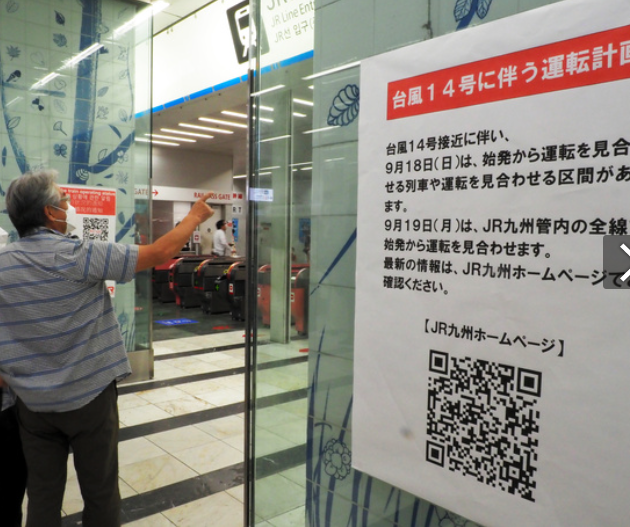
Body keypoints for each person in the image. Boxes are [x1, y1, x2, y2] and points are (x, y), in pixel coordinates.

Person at [0, 169, 215, 527]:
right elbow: (159, 252)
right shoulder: (78, 255)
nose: (69, 205)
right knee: (99, 491)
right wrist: (194, 217)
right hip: (90, 400)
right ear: (50, 213)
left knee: (42, 495)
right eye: (64, 200)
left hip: (33, 406)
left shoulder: (3, 263)